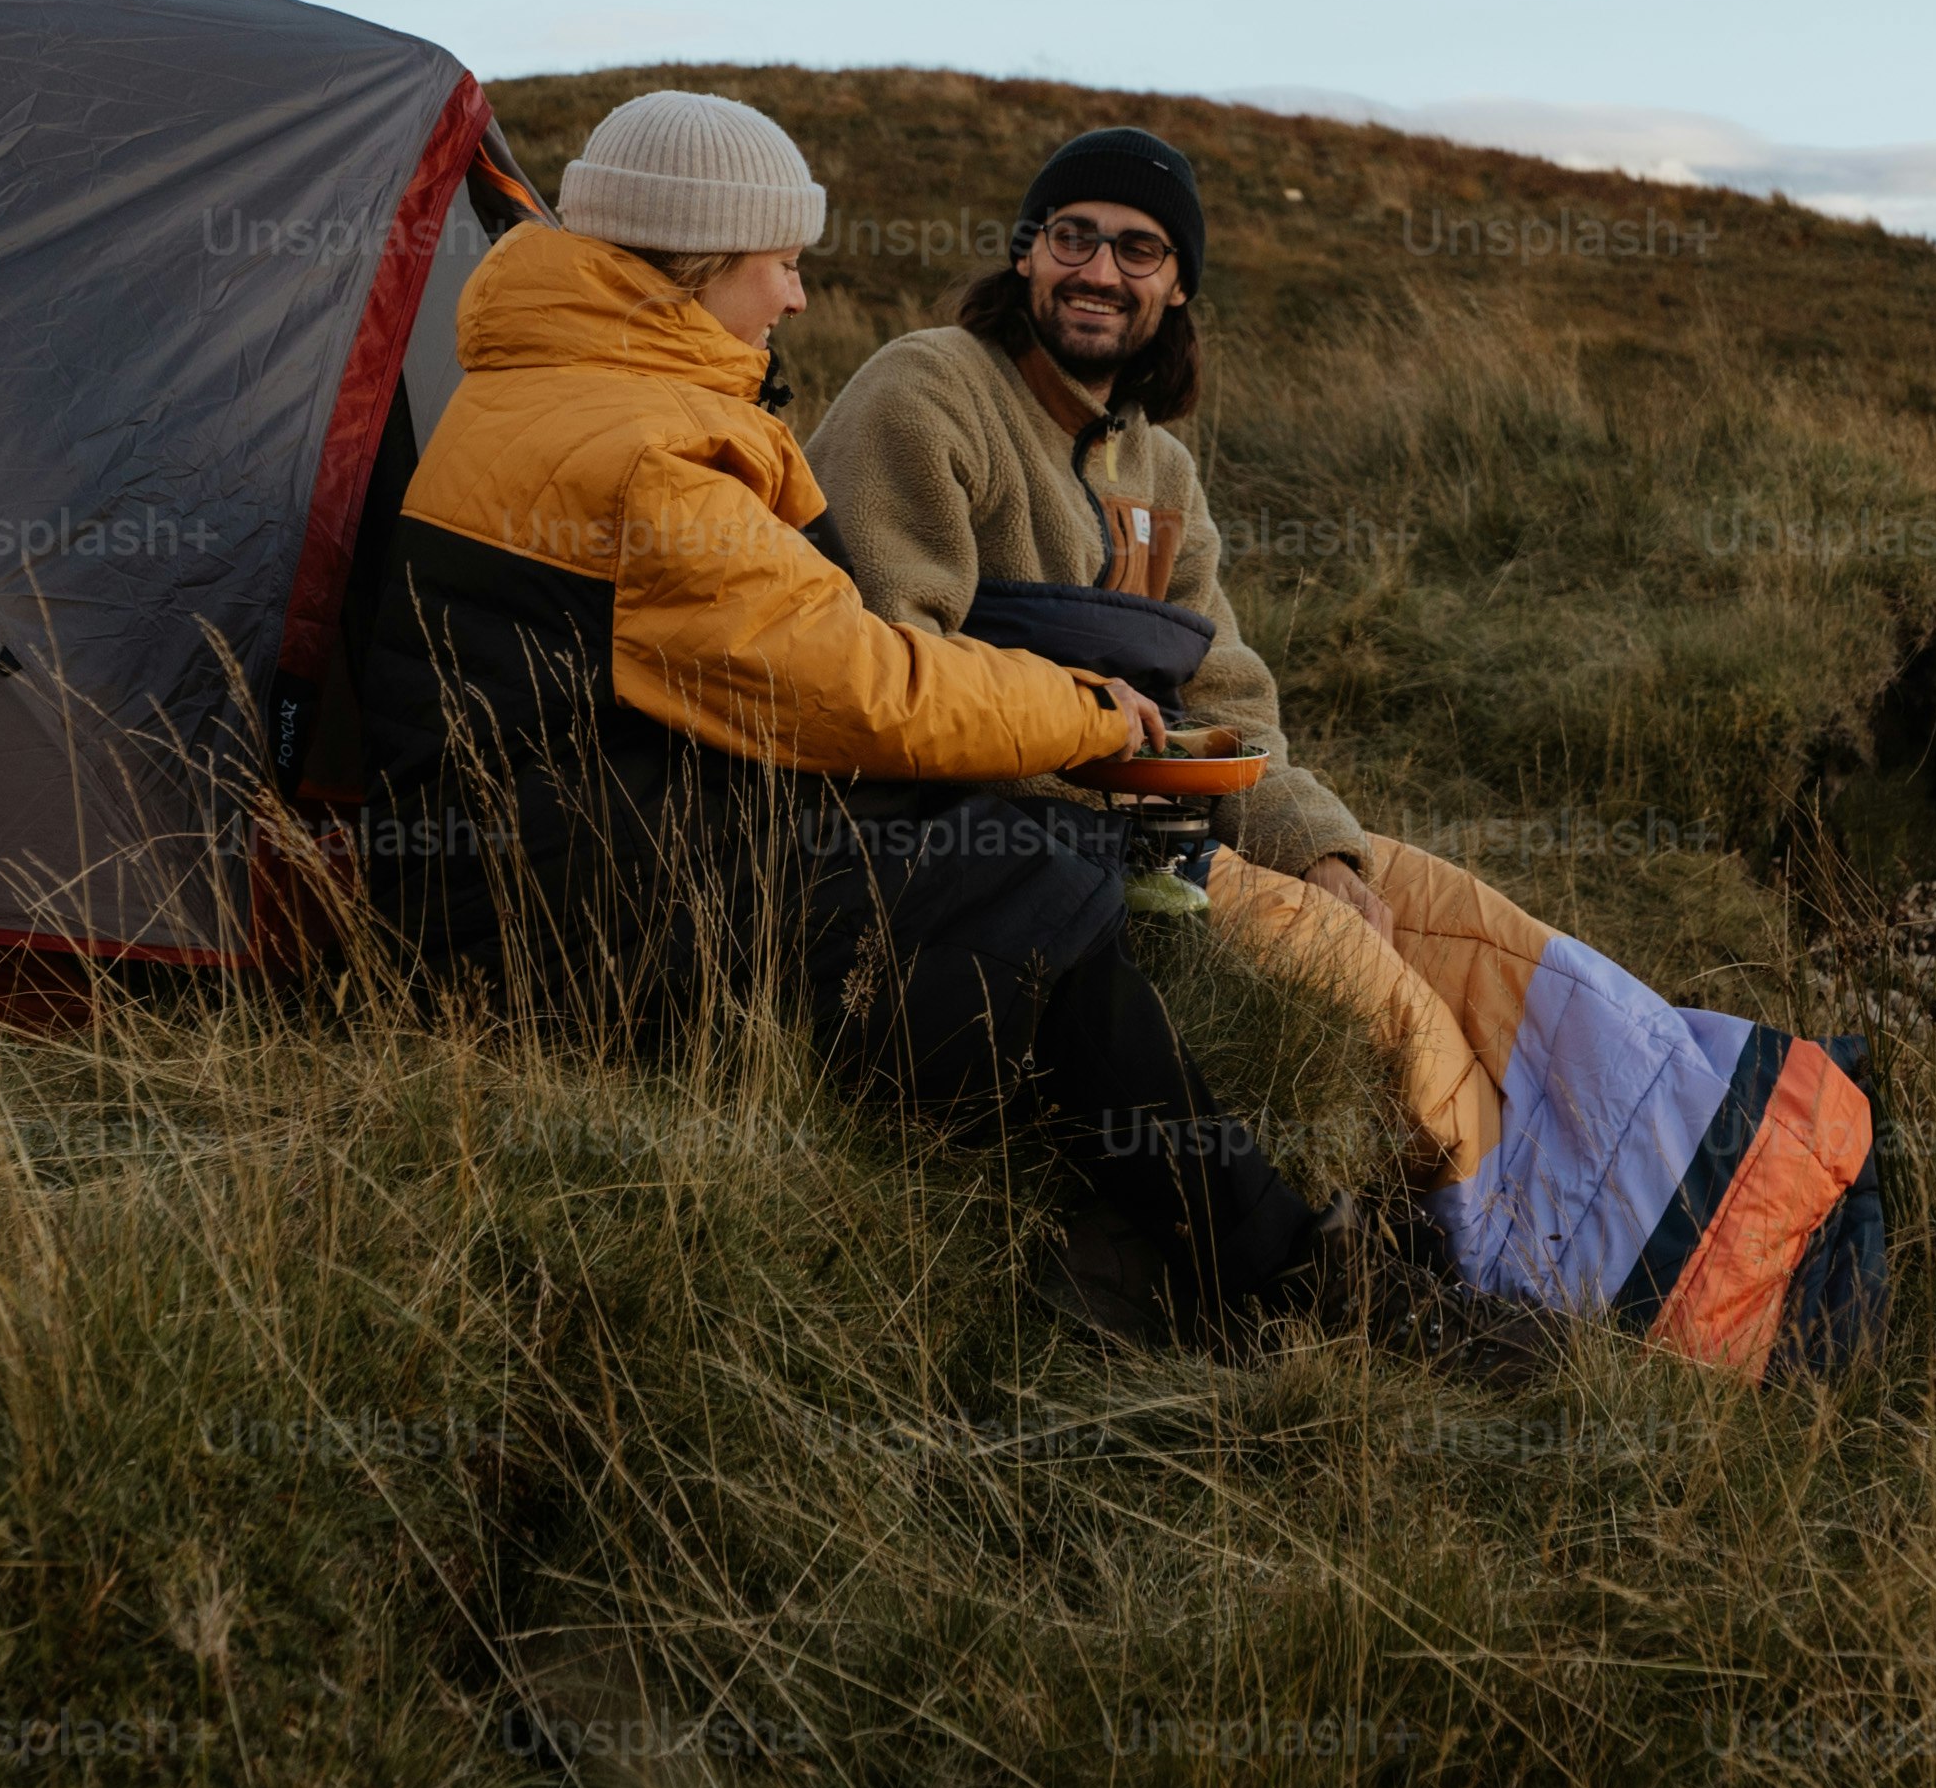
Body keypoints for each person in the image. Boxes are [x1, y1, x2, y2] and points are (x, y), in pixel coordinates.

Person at [809, 124, 1884, 1374]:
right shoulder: (926, 388)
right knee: (1380, 997)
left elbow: (1227, 696)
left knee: (1458, 923)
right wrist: (1078, 717)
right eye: (1072, 237)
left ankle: (1731, 1185)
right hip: (1014, 844)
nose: (1099, 270)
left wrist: (1318, 844)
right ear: (1026, 256)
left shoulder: (1159, 463)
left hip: (1167, 822)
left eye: (1139, 248)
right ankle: (1529, 1285)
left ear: (1178, 288)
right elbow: (884, 662)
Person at [353, 88, 1322, 1330]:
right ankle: (1268, 1268)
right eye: (783, 263)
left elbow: (799, 672)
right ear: (697, 262)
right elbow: (863, 689)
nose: (799, 296)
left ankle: (1145, 1219)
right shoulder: (652, 451)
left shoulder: (568, 379)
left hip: (557, 837)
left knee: (999, 853)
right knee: (1021, 874)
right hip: (546, 913)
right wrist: (1090, 712)